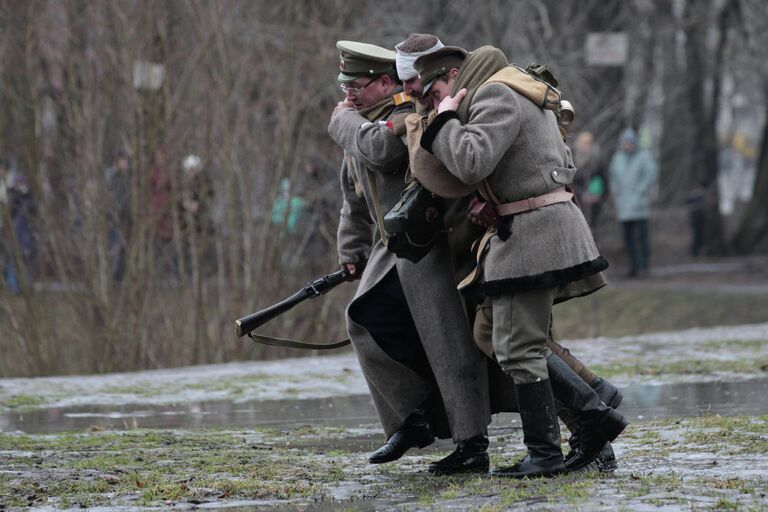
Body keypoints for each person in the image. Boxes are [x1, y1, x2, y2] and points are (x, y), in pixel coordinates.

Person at [397, 34, 626, 473]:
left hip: (535, 234)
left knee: (519, 346)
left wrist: (445, 123)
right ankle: (591, 413)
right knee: (500, 337)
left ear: (451, 76)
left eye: (435, 94)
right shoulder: (501, 91)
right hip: (522, 232)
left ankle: (574, 432)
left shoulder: (497, 94)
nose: (434, 103)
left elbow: (470, 161)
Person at [328, 40, 492, 475]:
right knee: (366, 321)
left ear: (385, 83)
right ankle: (413, 415)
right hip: (390, 248)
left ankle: (472, 445)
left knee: (450, 344)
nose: (348, 95)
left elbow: (380, 152)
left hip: (427, 244)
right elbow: (354, 197)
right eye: (344, 87)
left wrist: (343, 121)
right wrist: (351, 249)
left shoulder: (403, 114)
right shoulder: (362, 124)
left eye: (356, 86)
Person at [608, 128, 657, 278]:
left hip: (639, 205)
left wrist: (640, 189)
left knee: (641, 238)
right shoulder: (617, 158)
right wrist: (616, 190)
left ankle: (644, 266)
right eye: (624, 143)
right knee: (628, 238)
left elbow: (650, 174)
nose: (626, 145)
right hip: (623, 205)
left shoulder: (644, 156)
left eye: (628, 142)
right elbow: (613, 176)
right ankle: (634, 266)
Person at [105, 150, 132, 281]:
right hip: (115, 218)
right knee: (115, 248)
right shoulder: (112, 178)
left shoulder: (131, 178)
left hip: (128, 218)